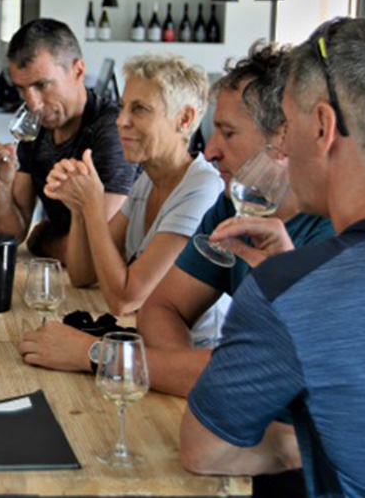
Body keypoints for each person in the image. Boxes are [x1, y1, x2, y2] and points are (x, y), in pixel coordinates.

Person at [180, 17, 365, 495]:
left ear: (322, 127)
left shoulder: (292, 289)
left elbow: (204, 450)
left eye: (288, 127)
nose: (283, 147)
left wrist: (294, 442)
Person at [135, 41, 333, 398]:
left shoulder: (332, 233)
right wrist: (183, 371)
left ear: (284, 135)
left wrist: (95, 355)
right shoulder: (235, 204)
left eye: (228, 132)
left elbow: (265, 375)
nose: (210, 151)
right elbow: (161, 307)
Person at [18, 54, 223, 373]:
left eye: (139, 109)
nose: (120, 120)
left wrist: (92, 206)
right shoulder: (148, 180)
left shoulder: (203, 188)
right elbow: (82, 275)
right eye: (123, 106)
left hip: (185, 371)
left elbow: (125, 299)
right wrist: (78, 208)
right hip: (141, 354)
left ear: (184, 119)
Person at [0, 19, 136, 262]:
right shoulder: (36, 130)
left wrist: (42, 239)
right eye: (22, 89)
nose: (33, 103)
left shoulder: (110, 131)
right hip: (68, 279)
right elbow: (13, 234)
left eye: (42, 85)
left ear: (78, 71)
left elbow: (98, 251)